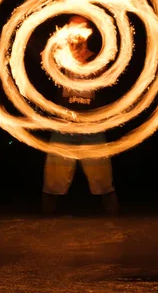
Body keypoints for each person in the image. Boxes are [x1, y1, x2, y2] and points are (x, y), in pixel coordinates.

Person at [41, 15, 120, 216]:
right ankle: (45, 218)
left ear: (88, 32)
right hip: (64, 126)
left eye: (81, 27)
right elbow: (41, 58)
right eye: (72, 27)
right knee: (54, 175)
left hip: (91, 125)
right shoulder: (59, 59)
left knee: (101, 175)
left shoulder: (99, 60)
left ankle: (114, 217)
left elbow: (108, 88)